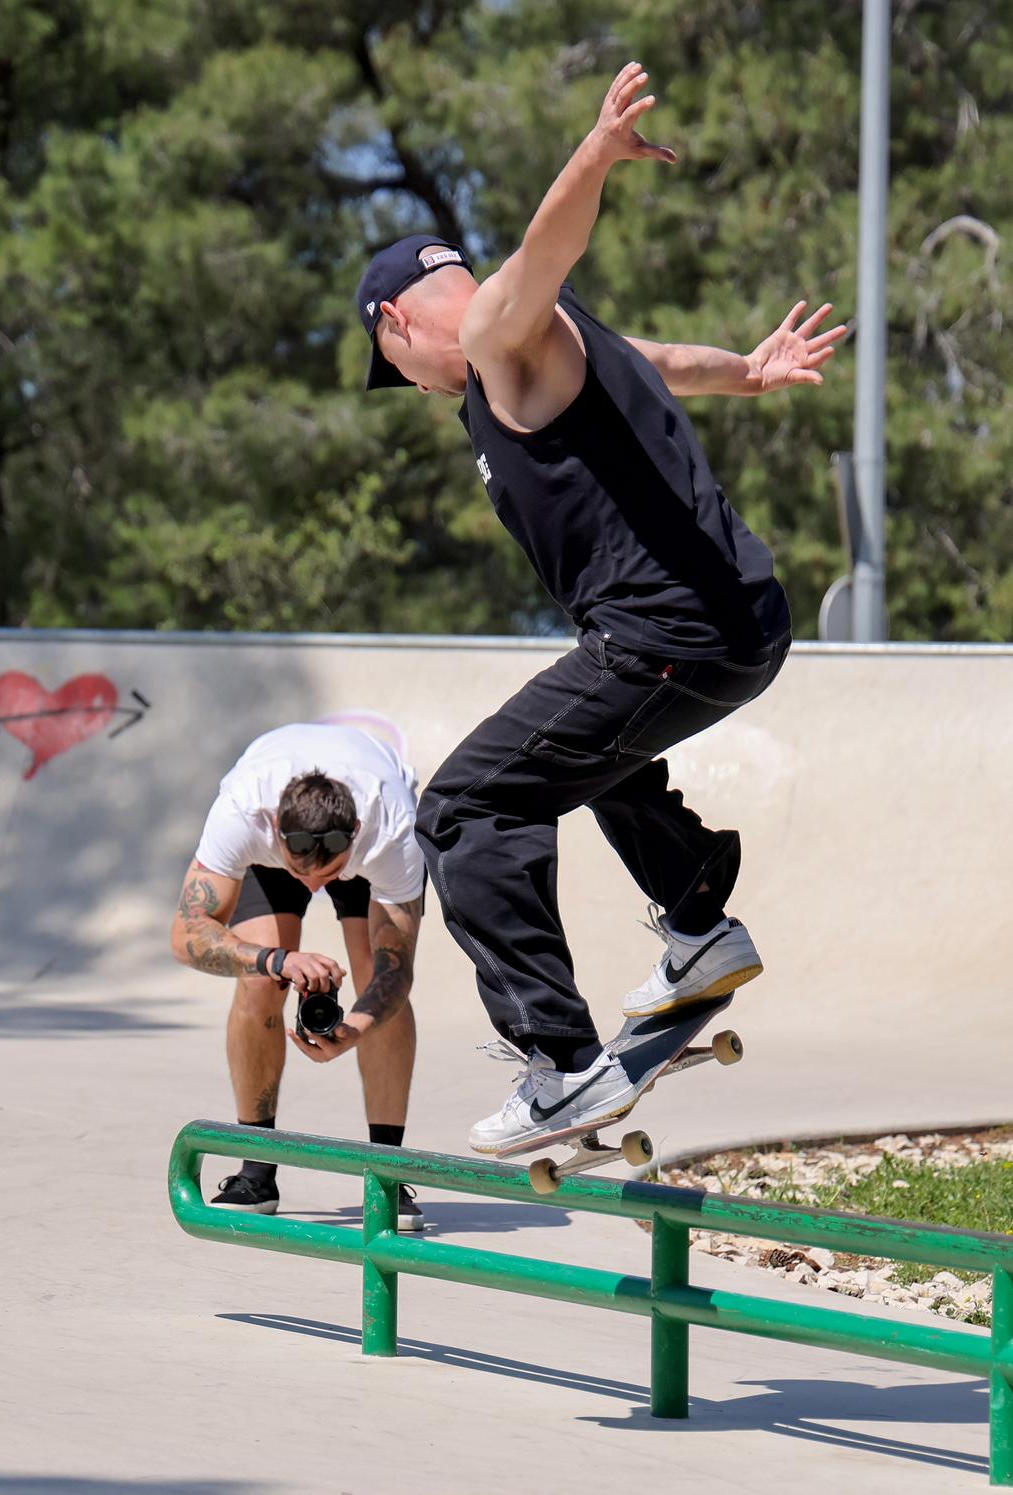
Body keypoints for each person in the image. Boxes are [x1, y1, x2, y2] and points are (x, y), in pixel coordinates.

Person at [356, 62, 846, 1156]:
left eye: (397, 365)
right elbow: (664, 361)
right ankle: (696, 929)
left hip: (667, 636)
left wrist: (592, 155)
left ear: (395, 321)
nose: (420, 390)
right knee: (583, 749)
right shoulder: (566, 340)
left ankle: (561, 1063)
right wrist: (751, 373)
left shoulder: (493, 335)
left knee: (467, 807)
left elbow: (541, 256)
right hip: (736, 623)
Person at [170, 723, 427, 1227]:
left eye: (327, 874)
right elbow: (184, 936)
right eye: (302, 870)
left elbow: (398, 970)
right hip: (274, 848)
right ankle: (256, 1171)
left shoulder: (392, 831)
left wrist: (355, 1028)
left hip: (371, 855)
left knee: (377, 974)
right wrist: (277, 961)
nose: (313, 883)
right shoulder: (243, 812)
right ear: (272, 828)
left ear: (353, 837)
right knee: (260, 979)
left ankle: (387, 1173)